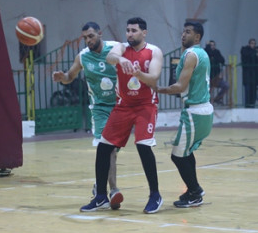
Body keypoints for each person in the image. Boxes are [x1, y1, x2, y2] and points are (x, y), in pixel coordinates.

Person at [80, 17, 164, 214]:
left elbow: (153, 78)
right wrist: (121, 59)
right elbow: (111, 57)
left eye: (134, 30)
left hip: (145, 105)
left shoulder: (154, 51)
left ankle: (155, 195)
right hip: (124, 105)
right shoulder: (121, 48)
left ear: (144, 33)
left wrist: (139, 74)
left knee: (143, 146)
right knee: (103, 147)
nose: (130, 34)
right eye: (128, 30)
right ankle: (101, 197)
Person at [52, 22, 123, 209]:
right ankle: (112, 191)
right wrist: (63, 77)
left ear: (100, 34)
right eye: (85, 38)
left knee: (112, 152)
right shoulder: (83, 56)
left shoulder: (114, 48)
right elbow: (70, 76)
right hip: (99, 109)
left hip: (120, 107)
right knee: (108, 149)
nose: (88, 40)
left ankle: (99, 185)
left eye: (91, 36)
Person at [156, 21, 213, 207]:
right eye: (183, 31)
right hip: (201, 110)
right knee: (186, 153)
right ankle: (194, 189)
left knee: (177, 156)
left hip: (195, 112)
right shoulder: (201, 53)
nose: (183, 35)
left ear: (197, 37)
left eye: (188, 32)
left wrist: (156, 89)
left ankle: (195, 192)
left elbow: (180, 87)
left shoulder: (191, 55)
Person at [205, 40, 229, 105]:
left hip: (216, 76)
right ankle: (208, 103)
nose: (212, 47)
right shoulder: (205, 51)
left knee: (226, 86)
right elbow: (208, 54)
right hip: (207, 76)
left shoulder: (217, 52)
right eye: (210, 45)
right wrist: (208, 48)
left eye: (213, 45)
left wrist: (214, 56)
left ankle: (217, 99)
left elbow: (222, 60)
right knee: (207, 91)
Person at [240, 38, 258, 108]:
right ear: (249, 44)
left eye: (254, 44)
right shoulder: (245, 50)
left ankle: (252, 105)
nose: (253, 45)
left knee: (253, 92)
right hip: (247, 75)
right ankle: (248, 105)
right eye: (252, 43)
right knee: (248, 91)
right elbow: (247, 55)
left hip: (254, 76)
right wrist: (255, 52)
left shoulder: (255, 51)